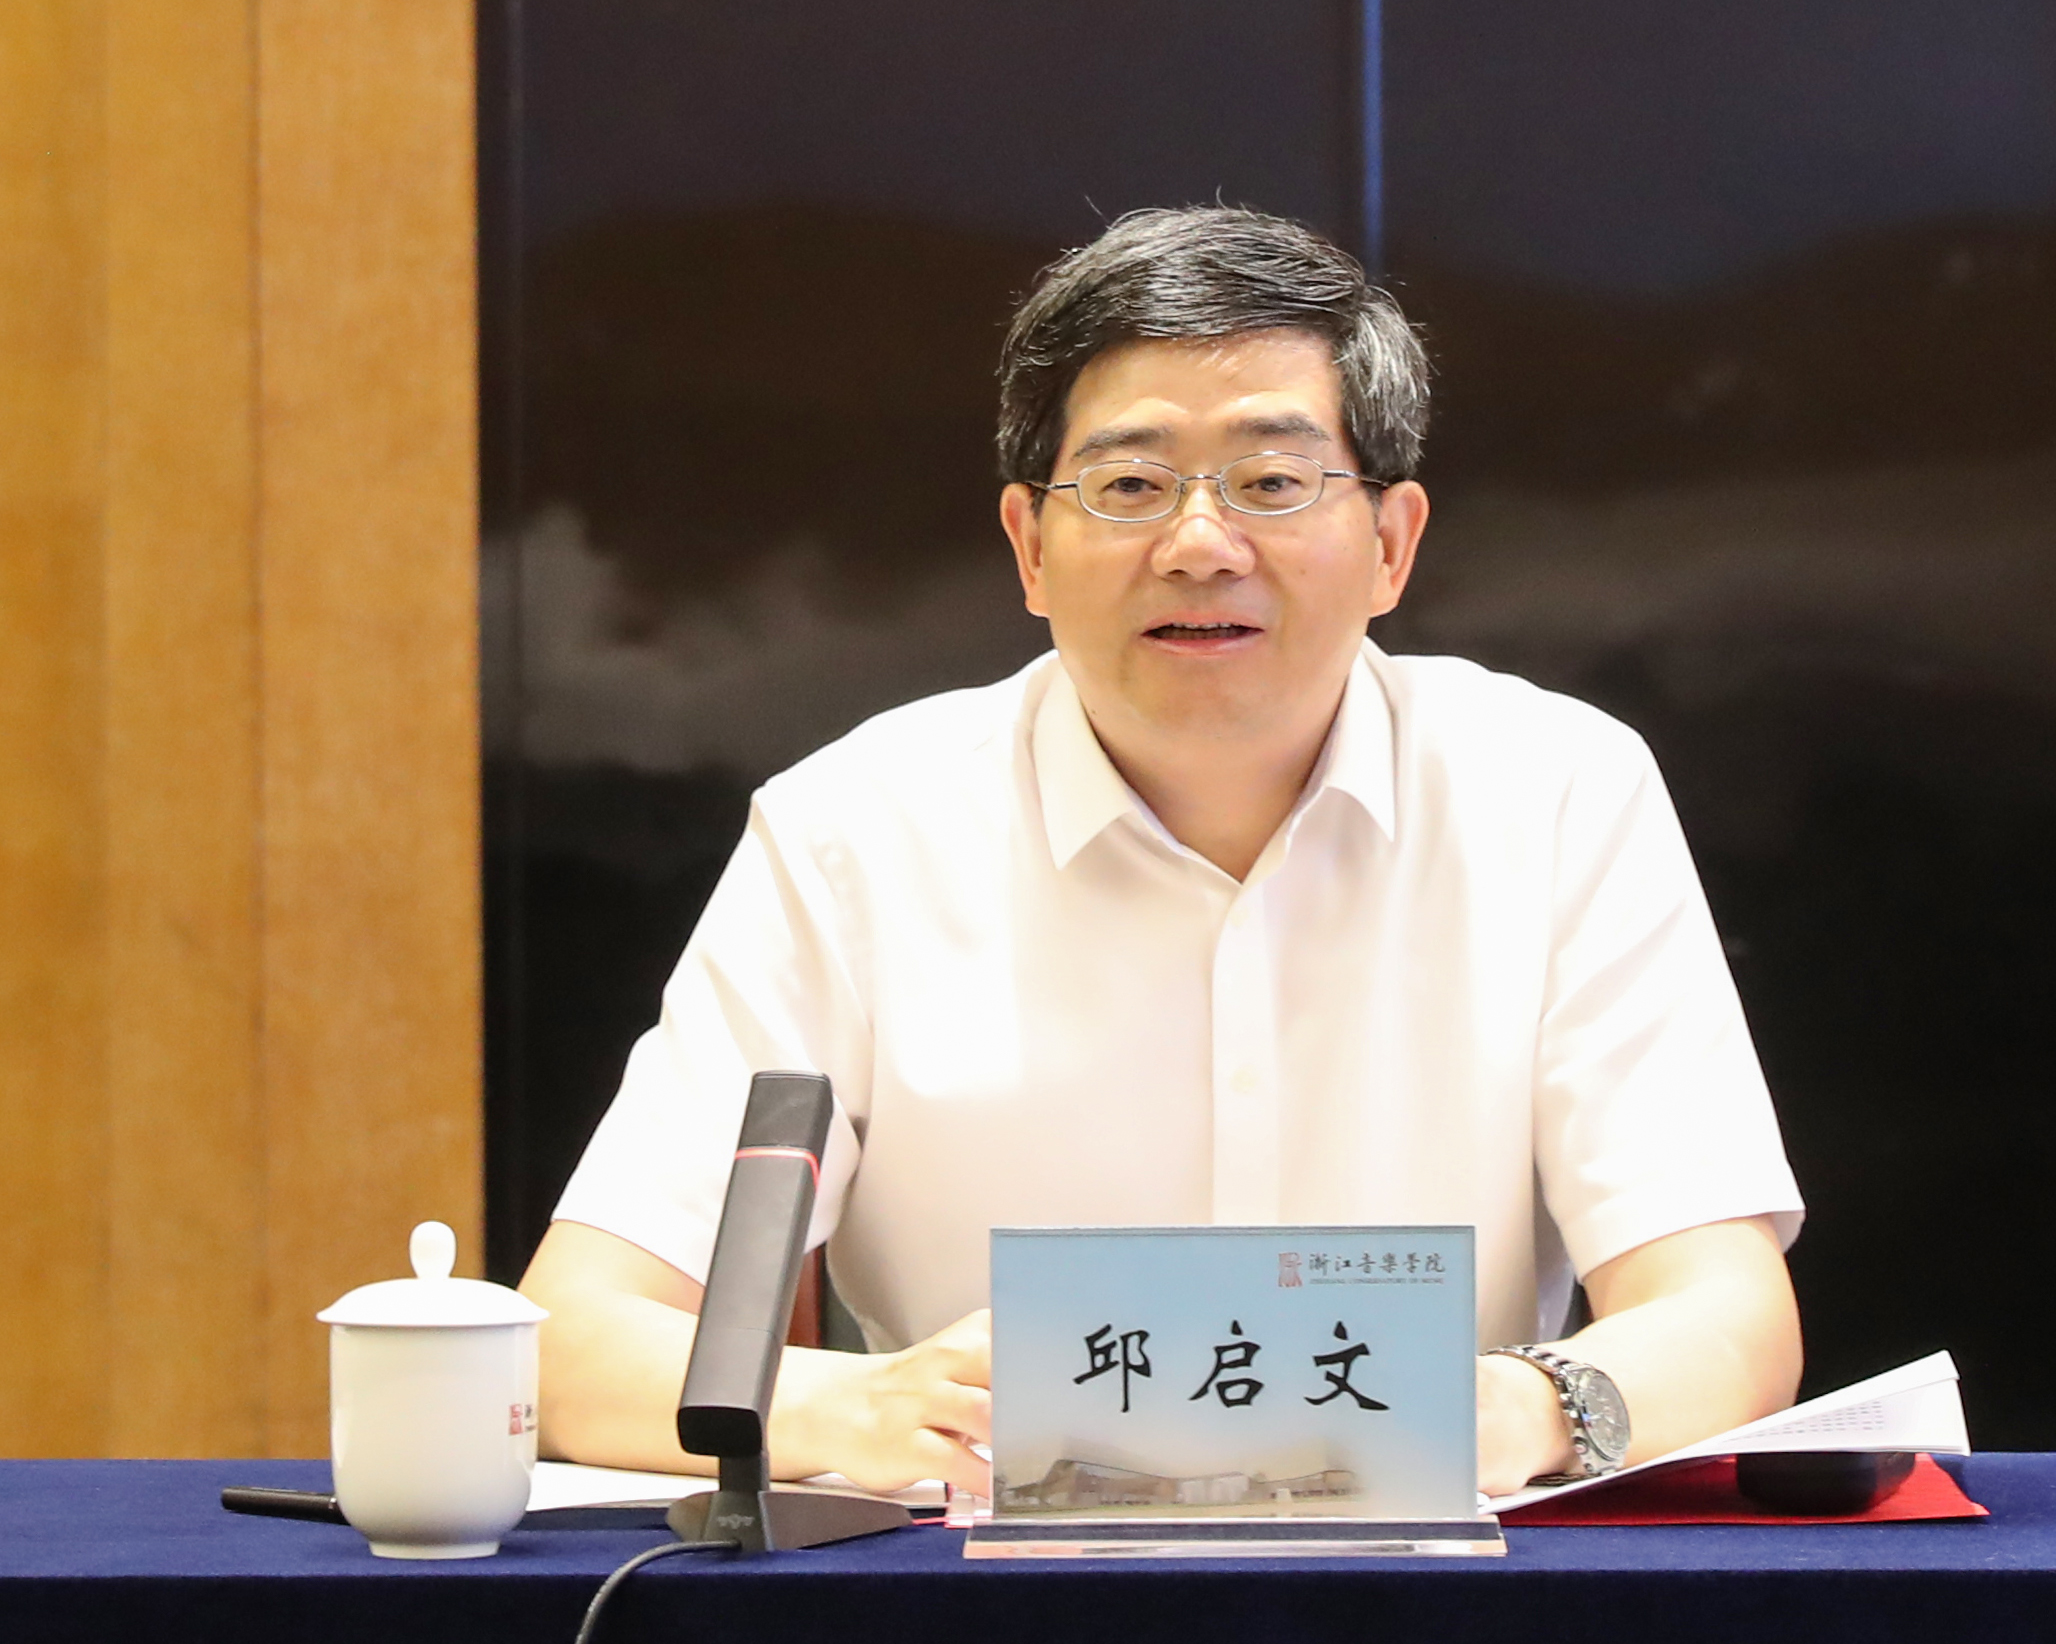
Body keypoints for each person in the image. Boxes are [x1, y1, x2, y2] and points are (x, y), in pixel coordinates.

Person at [520, 206, 1805, 1500]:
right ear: (1030, 546)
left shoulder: (1558, 793)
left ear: (1391, 543)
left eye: (1272, 481)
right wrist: (850, 1405)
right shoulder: (851, 834)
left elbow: (1725, 1312)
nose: (1199, 544)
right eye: (1130, 486)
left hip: (1439, 1577)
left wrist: (1522, 1406)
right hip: (976, 1584)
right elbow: (573, 1338)